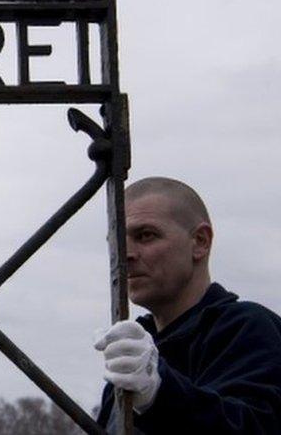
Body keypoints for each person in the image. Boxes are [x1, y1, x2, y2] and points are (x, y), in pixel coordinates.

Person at [94, 177, 281, 433]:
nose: (126, 253)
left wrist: (160, 392)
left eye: (146, 235)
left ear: (200, 242)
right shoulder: (135, 351)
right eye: (117, 241)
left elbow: (256, 426)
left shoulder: (247, 328)